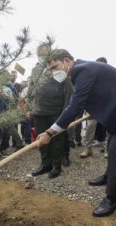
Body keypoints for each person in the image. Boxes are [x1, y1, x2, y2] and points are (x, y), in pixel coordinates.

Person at [37, 49, 116, 217]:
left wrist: (49, 132)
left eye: (55, 66)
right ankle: (110, 176)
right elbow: (99, 93)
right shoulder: (82, 71)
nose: (54, 71)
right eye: (50, 69)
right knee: (112, 143)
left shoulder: (83, 70)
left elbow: (75, 105)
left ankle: (114, 198)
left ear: (68, 60)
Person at [28, 44, 73, 178]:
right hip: (39, 111)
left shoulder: (58, 66)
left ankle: (56, 166)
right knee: (41, 139)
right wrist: (30, 107)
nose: (42, 55)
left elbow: (69, 90)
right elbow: (31, 88)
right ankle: (45, 164)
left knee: (56, 139)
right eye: (40, 52)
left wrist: (66, 111)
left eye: (45, 52)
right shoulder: (36, 70)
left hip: (56, 110)